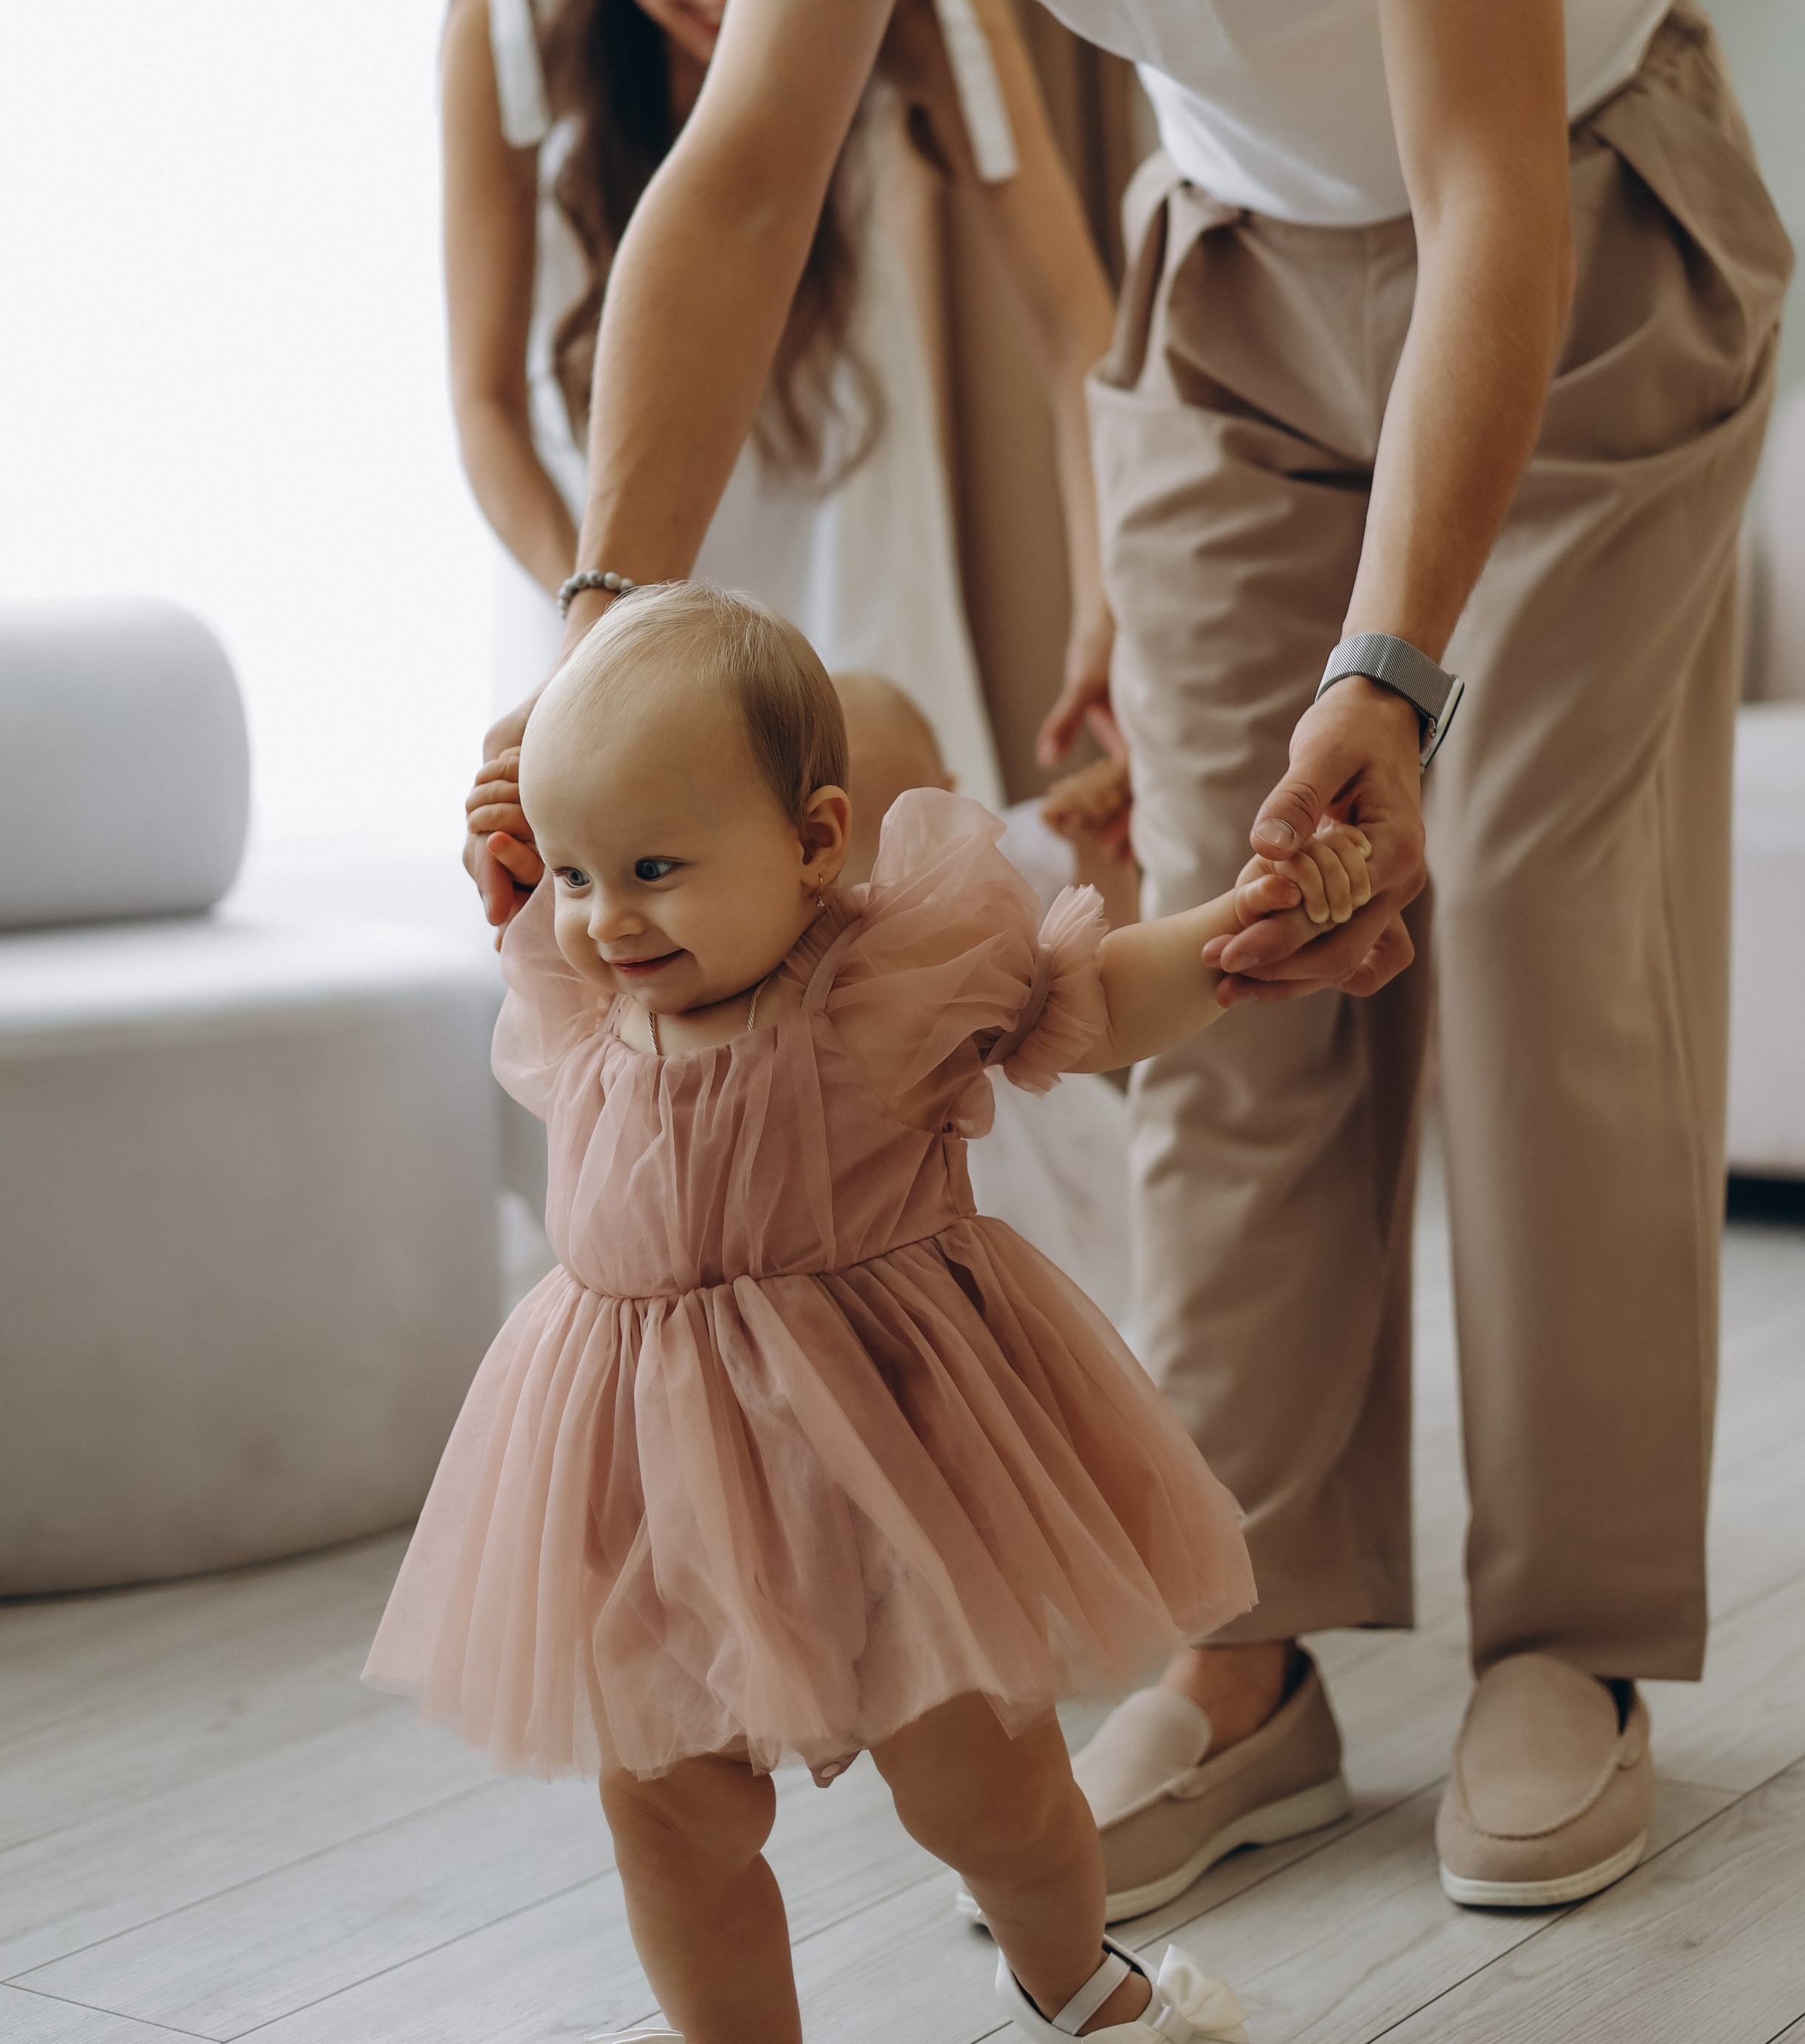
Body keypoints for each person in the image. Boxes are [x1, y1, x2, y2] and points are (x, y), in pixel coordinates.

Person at [463, 0, 1793, 1918]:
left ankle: (1565, 1633)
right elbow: (727, 198)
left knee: (1529, 909)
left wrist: (1394, 668)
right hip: (1239, 270)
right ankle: (1250, 1630)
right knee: (1224, 923)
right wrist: (600, 623)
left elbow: (1476, 193)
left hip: (1568, 217)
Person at [372, 584, 1373, 2044]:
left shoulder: (876, 985)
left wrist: (1231, 938)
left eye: (652, 866)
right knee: (665, 1808)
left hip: (892, 1462)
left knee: (987, 1791)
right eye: (578, 876)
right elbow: (538, 872)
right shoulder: (587, 988)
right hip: (648, 1477)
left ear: (815, 843)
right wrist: (532, 842)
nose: (606, 918)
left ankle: (1073, 1980)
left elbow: (1088, 993)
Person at [441, 0, 1120, 805]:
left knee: (884, 884)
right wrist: (601, 618)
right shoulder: (508, 27)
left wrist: (1107, 593)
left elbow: (1074, 327)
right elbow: (484, 405)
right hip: (605, 524)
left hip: (846, 499)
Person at [835, 668, 1134, 1327]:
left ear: (948, 798)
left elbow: (1109, 935)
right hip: (908, 1169)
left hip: (1021, 1121)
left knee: (1068, 1296)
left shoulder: (996, 868)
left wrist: (1092, 836)